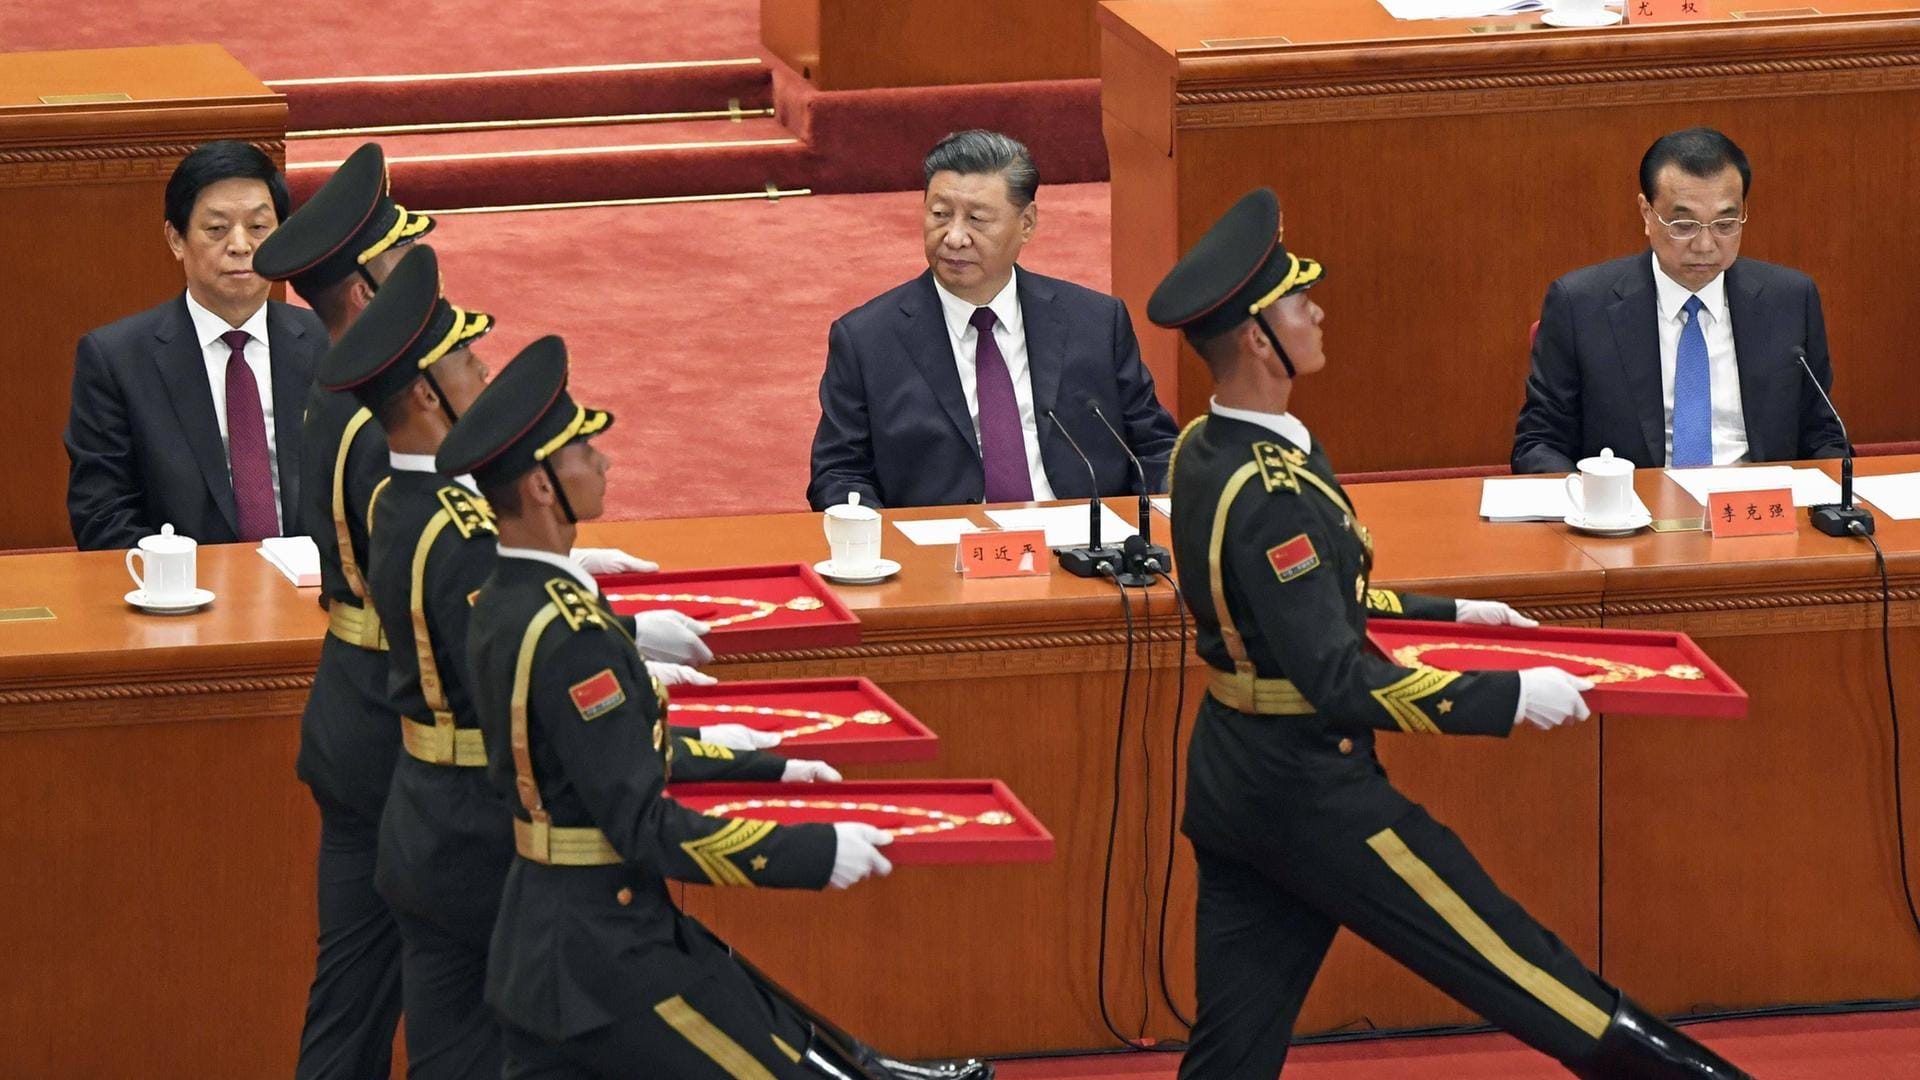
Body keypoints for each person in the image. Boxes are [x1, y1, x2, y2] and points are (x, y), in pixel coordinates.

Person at [1150, 187, 1751, 1079]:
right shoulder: (1272, 492)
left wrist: (1452, 616)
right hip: (1311, 789)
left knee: (1232, 1054)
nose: (1316, 312)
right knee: (1533, 976)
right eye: (1296, 302)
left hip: (1236, 773)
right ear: (1254, 338)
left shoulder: (1212, 445)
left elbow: (1315, 608)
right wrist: (1507, 696)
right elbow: (1336, 676)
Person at [444, 337, 992, 1079]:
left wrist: (765, 763)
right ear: (541, 487)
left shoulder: (513, 599)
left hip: (554, 939)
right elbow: (639, 819)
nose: (602, 463)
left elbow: (611, 758)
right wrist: (809, 852)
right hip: (603, 960)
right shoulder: (570, 633)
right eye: (582, 452)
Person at [324, 245, 797, 1077]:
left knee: (451, 1047)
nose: (482, 372)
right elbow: (514, 679)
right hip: (473, 825)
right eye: (467, 360)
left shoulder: (407, 500)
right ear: (430, 394)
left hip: (424, 813)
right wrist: (651, 687)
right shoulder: (460, 527)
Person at [250, 140, 429, 1080]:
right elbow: (429, 586)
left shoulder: (336, 390)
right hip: (399, 726)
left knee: (353, 991)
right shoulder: (379, 415)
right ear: (366, 289)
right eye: (402, 261)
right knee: (441, 992)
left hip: (351, 712)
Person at [808, 129, 1177, 510]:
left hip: (1084, 542)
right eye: (939, 215)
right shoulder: (867, 339)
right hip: (940, 551)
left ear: (1027, 223)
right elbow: (839, 473)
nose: (953, 237)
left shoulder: (1096, 321)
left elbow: (1153, 447)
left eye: (977, 219)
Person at [1512, 127, 1846, 474]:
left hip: (1756, 514)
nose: (1705, 245)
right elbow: (1539, 443)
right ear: (1646, 213)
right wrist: (1595, 502)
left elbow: (1822, 434)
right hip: (1633, 513)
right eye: (1684, 224)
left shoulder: (1790, 300)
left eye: (1725, 223)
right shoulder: (1580, 306)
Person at [64, 140, 328, 550]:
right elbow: (102, 515)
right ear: (176, 239)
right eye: (217, 229)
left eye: (259, 228)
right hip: (182, 600)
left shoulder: (329, 344)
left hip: (314, 596)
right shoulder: (116, 359)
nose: (240, 246)